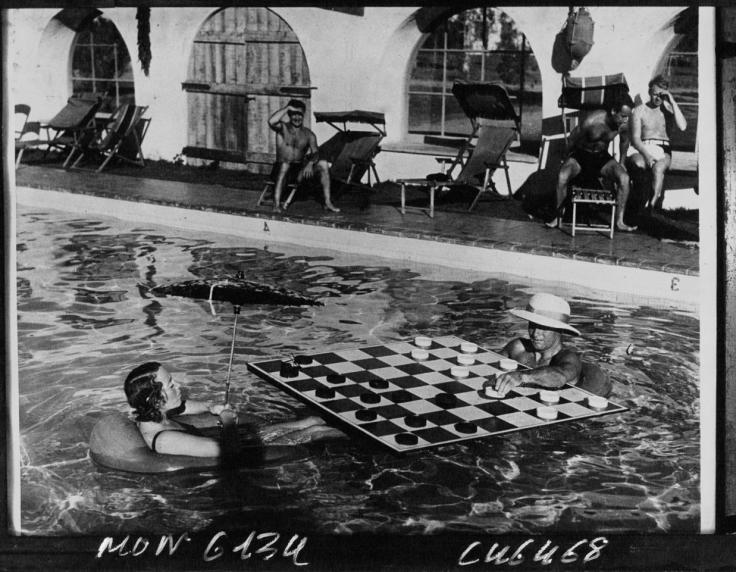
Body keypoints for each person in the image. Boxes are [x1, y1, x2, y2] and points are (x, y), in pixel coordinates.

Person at [124, 361, 343, 458]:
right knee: (314, 433)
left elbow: (184, 407)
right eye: (171, 385)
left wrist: (212, 407)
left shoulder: (155, 413)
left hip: (234, 438)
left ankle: (350, 427)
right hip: (238, 449)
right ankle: (364, 440)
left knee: (311, 420)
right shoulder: (164, 440)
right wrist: (228, 419)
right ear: (156, 399)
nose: (178, 386)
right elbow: (228, 453)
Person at [484, 293, 612, 398]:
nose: (536, 333)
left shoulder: (569, 358)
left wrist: (521, 376)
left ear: (559, 330)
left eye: (544, 328)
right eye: (532, 325)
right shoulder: (518, 347)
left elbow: (560, 376)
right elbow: (487, 367)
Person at [546, 101, 637, 232]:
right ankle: (558, 217)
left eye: (628, 116)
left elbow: (624, 141)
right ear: (613, 111)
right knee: (562, 176)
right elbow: (572, 139)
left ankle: (619, 221)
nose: (625, 120)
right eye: (623, 116)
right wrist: (565, 159)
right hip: (581, 156)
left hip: (601, 158)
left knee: (624, 178)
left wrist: (622, 162)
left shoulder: (623, 124)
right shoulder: (591, 121)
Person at [626, 74, 687, 211]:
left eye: (661, 95)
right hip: (643, 146)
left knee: (658, 169)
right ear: (649, 92)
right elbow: (635, 139)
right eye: (655, 94)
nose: (658, 98)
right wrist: (647, 155)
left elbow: (683, 126)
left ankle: (651, 205)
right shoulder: (639, 111)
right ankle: (636, 203)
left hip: (663, 148)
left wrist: (672, 100)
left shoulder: (668, 109)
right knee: (638, 164)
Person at [267, 99, 340, 213]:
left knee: (323, 164)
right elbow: (271, 121)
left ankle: (328, 202)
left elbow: (316, 152)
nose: (297, 118)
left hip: (297, 171)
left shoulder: (308, 134)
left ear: (304, 115)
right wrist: (287, 108)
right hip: (280, 168)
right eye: (293, 114)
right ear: (289, 115)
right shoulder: (283, 128)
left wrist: (310, 163)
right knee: (285, 165)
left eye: (300, 114)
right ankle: (276, 205)